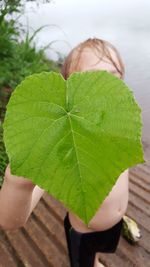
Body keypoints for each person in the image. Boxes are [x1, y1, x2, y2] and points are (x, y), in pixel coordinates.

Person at [0, 38, 136, 267]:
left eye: (114, 79)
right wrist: (18, 183)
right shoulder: (64, 147)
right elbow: (8, 221)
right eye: (92, 80)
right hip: (83, 232)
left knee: (101, 252)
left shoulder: (120, 132)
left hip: (114, 223)